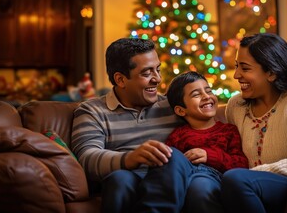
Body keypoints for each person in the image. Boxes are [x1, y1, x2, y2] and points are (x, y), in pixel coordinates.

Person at [71, 38, 194, 213]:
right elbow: (87, 158)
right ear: (120, 79)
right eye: (146, 73)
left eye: (158, 70)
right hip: (126, 179)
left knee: (172, 155)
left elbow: (207, 130)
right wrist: (129, 159)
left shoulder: (175, 107)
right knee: (120, 180)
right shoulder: (92, 111)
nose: (157, 79)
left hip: (169, 181)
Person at [220, 33, 287, 213]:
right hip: (245, 186)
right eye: (237, 66)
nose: (236, 74)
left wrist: (259, 172)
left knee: (236, 179)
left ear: (271, 72)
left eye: (245, 68)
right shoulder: (235, 105)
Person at [165, 71, 248, 213]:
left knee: (199, 186)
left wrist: (210, 156)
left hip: (213, 179)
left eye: (208, 90)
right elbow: (167, 164)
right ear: (180, 110)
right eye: (196, 95)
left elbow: (241, 164)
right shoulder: (178, 135)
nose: (206, 96)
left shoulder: (228, 131)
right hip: (184, 179)